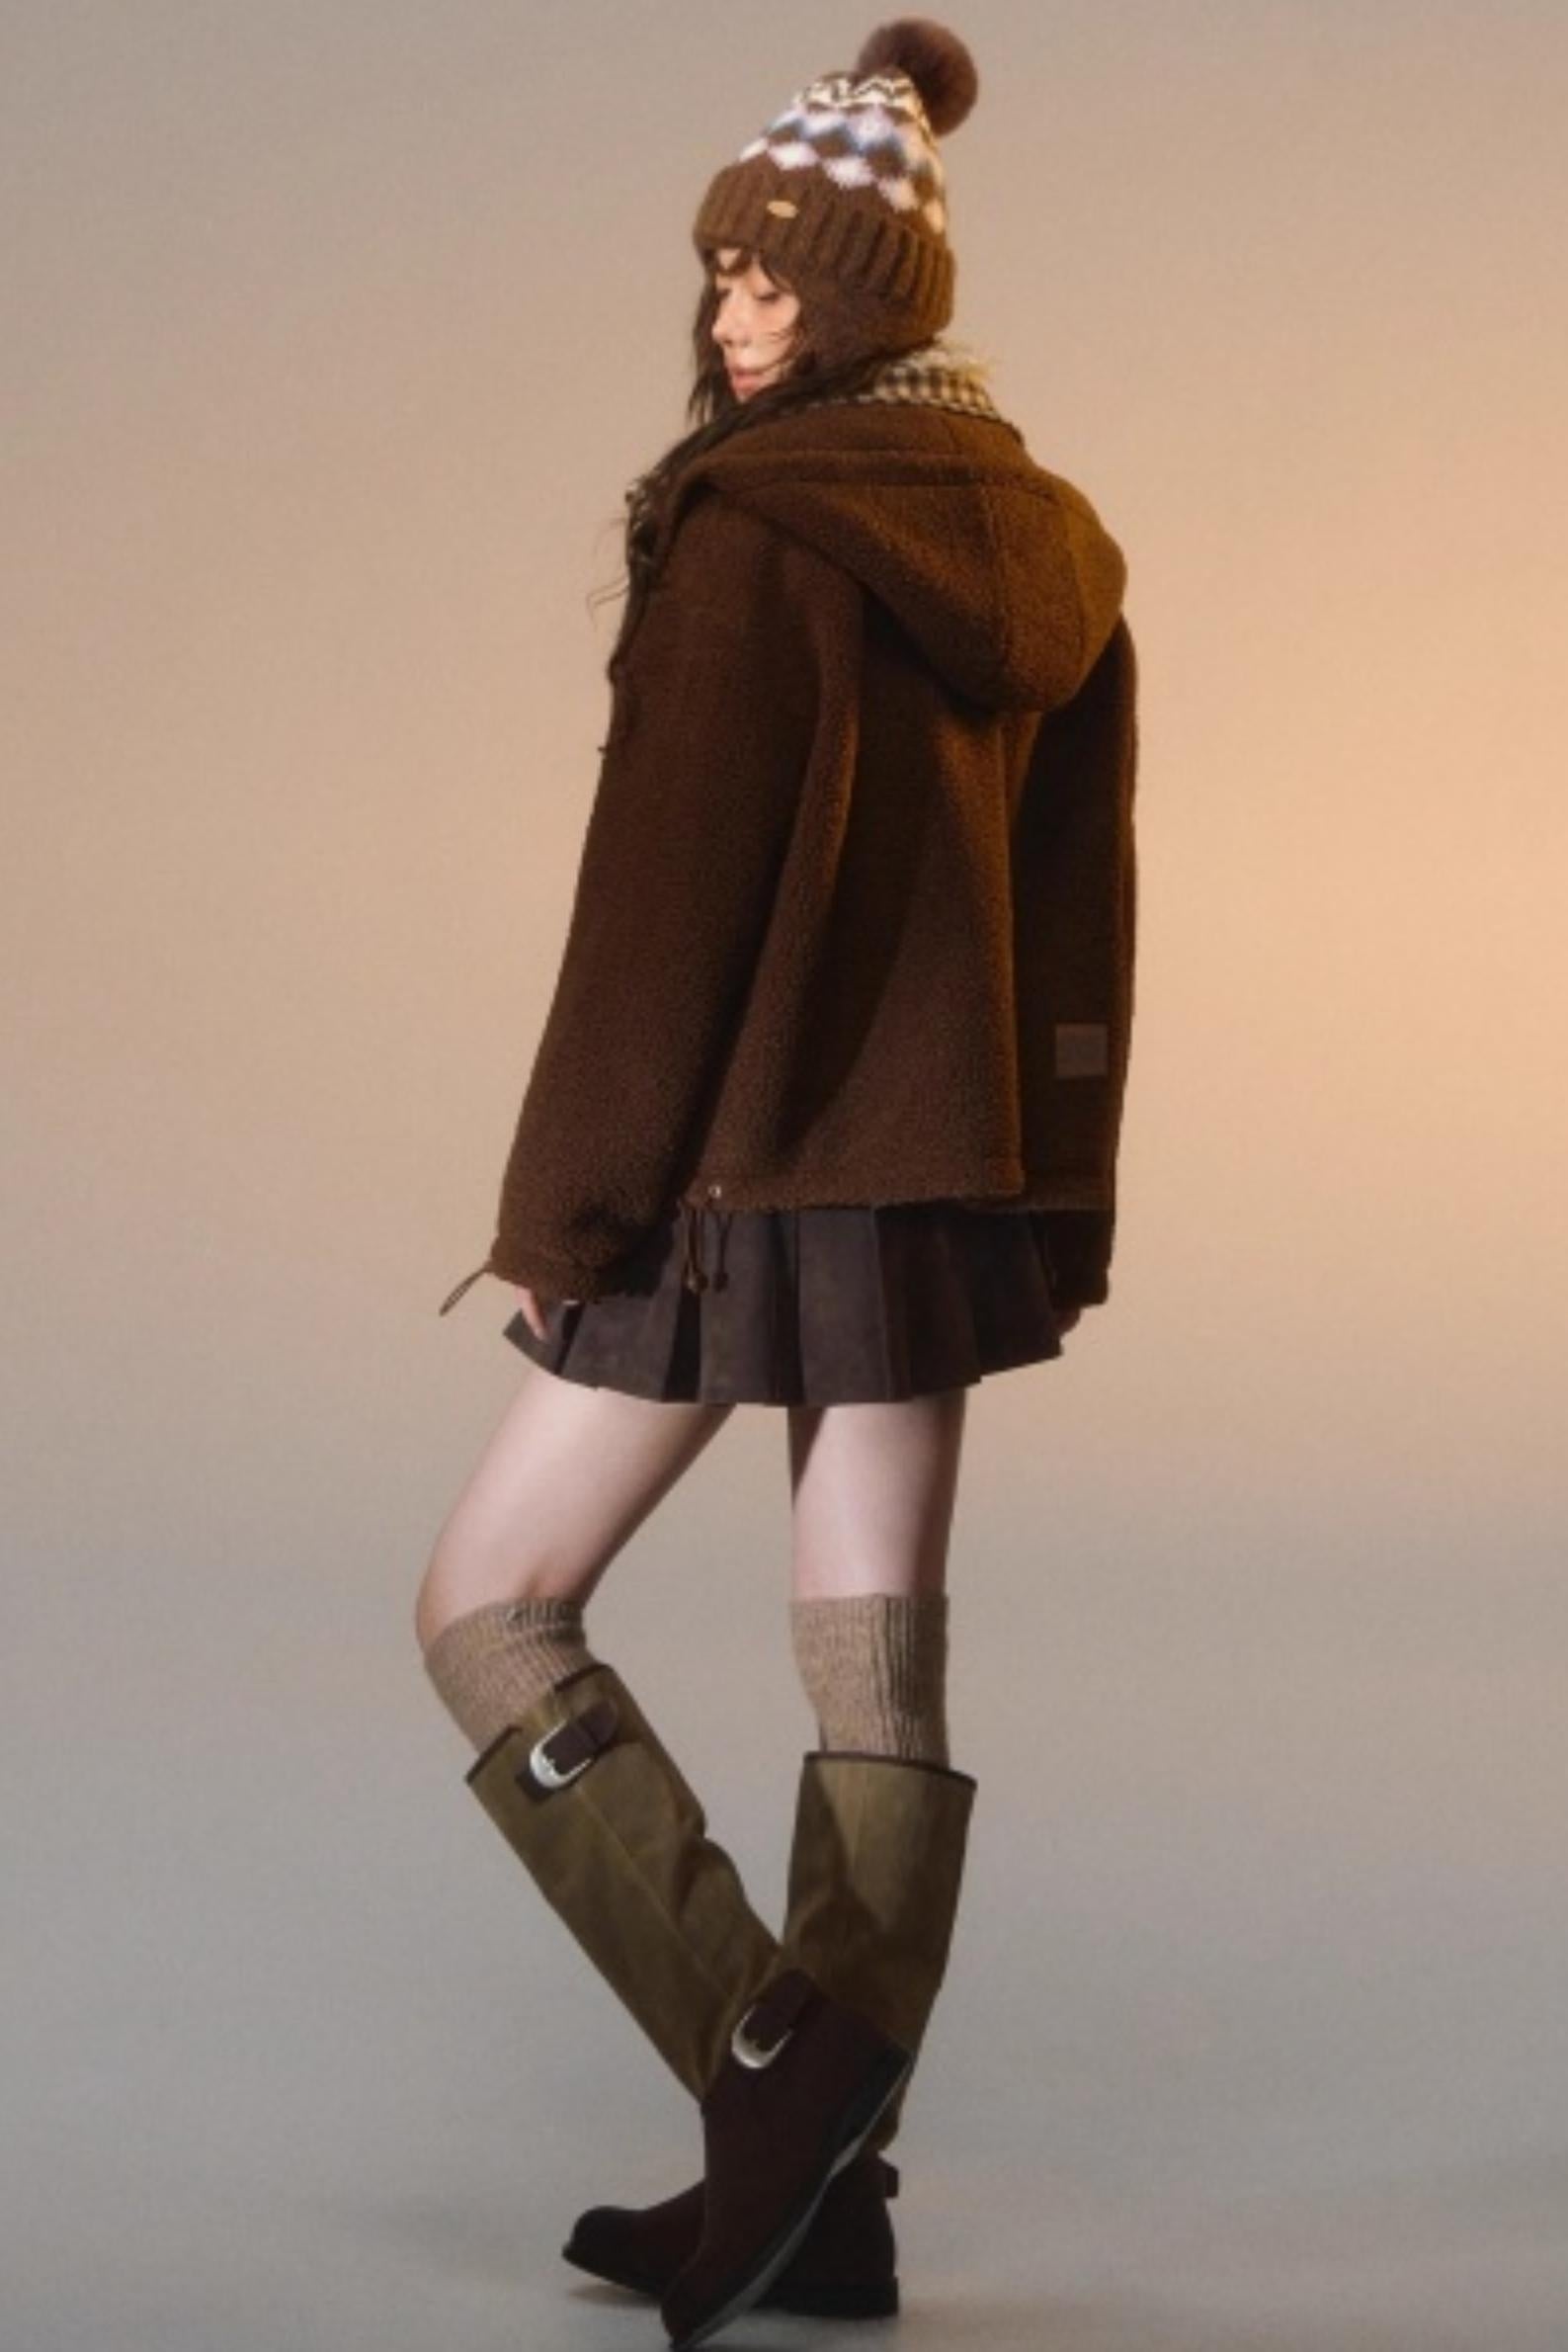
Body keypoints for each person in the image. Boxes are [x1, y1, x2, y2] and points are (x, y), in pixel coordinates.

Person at [417, 18, 1139, 2347]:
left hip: (735, 1169)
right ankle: (821, 2197)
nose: (735, 313)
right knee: (874, 1648)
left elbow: (661, 918)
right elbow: (1079, 911)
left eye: (776, 278)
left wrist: (568, 1212)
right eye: (721, 273)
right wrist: (1052, 1180)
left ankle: (770, 2071)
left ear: (864, 303)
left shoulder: (751, 528)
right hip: (935, 1180)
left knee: (484, 1601)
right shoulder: (1041, 541)